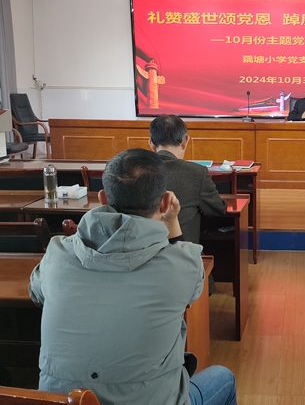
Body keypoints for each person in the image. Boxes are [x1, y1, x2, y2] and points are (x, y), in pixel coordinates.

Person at [29, 149, 237, 405]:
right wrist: (172, 223)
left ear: (103, 198)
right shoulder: (182, 264)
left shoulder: (58, 253)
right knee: (223, 378)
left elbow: (36, 293)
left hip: (61, 401)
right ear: (164, 203)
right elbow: (191, 285)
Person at [149, 115, 227, 245]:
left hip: (141, 252)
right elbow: (219, 209)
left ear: (151, 143)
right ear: (185, 141)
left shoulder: (132, 173)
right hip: (183, 252)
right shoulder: (196, 172)